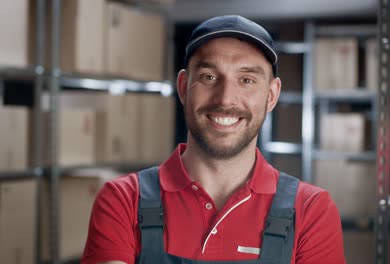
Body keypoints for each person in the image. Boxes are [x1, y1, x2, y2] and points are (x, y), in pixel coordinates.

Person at [81, 15, 345, 264]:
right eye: (209, 77)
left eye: (247, 80)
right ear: (184, 87)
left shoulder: (310, 210)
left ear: (271, 95)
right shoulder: (124, 200)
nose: (225, 99)